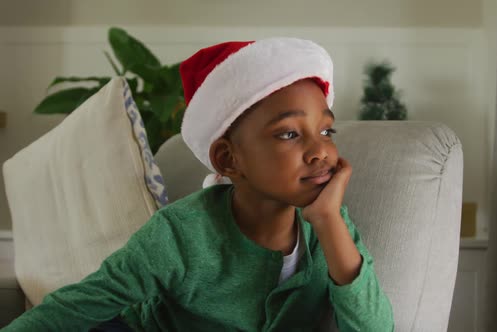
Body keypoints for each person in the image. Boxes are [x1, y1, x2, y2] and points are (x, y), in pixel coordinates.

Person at [2, 37, 394, 331]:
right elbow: (84, 303)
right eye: (289, 134)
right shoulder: (179, 234)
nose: (319, 150)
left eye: (327, 130)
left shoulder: (331, 229)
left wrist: (327, 222)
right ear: (228, 159)